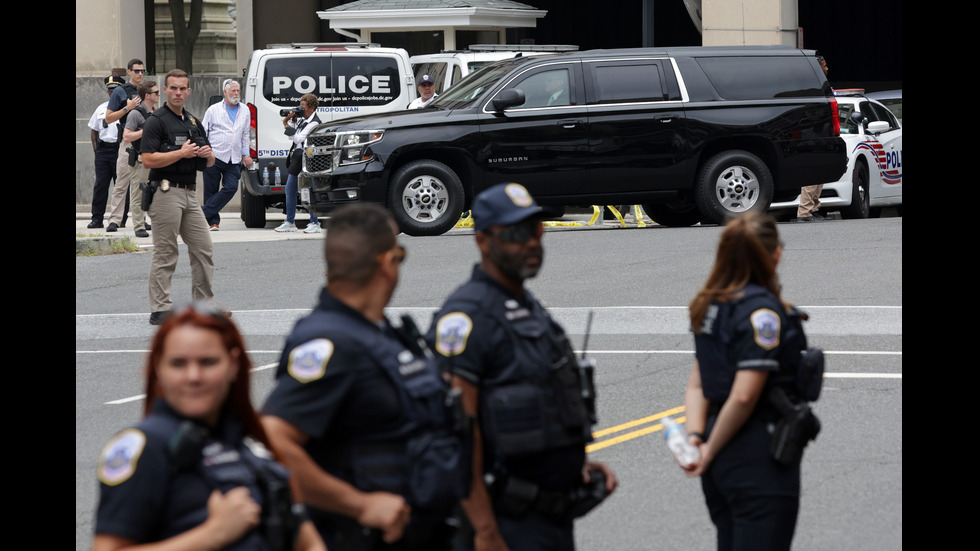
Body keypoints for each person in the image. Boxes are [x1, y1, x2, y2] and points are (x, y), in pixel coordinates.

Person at [261, 203, 468, 550]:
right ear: (388, 264)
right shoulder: (330, 341)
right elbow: (273, 440)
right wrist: (361, 505)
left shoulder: (383, 333)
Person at [427, 183, 617, 551]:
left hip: (550, 518)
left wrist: (573, 468)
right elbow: (457, 436)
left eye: (536, 229)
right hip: (505, 524)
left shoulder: (526, 305)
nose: (531, 242)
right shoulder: (466, 318)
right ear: (483, 241)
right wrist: (485, 532)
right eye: (516, 233)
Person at [92, 302, 326, 551]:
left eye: (208, 362)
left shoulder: (250, 446)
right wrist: (214, 534)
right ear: (159, 367)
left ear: (233, 364)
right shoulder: (145, 448)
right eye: (178, 363)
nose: (193, 376)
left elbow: (308, 542)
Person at [679, 212, 813, 551]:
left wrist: (697, 438)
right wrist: (708, 452)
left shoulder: (709, 306)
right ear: (775, 254)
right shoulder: (762, 313)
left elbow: (698, 383)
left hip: (718, 455)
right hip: (756, 457)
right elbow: (743, 397)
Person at [141, 69, 218, 326]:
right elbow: (148, 159)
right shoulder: (156, 120)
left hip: (189, 193)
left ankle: (203, 305)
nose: (178, 93)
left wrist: (208, 155)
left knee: (204, 248)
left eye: (182, 88)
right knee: (166, 251)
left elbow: (208, 162)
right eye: (173, 88)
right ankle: (160, 308)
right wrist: (180, 153)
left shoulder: (193, 122)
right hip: (165, 191)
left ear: (188, 91)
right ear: (165, 90)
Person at [202, 79, 253, 231]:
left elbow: (245, 134)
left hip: (235, 157)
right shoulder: (213, 109)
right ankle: (213, 222)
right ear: (225, 92)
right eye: (233, 91)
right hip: (214, 155)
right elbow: (203, 132)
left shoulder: (245, 110)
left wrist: (246, 154)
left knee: (231, 187)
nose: (236, 94)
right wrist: (206, 150)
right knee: (210, 189)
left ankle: (203, 213)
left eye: (238, 91)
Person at [105, 58, 146, 232]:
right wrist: (127, 108)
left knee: (143, 183)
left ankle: (142, 219)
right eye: (137, 71)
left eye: (143, 71)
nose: (140, 74)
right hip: (128, 142)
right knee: (122, 181)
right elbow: (108, 118)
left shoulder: (147, 91)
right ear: (129, 72)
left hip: (146, 143)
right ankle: (115, 220)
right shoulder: (120, 91)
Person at [274, 93, 322, 233]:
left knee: (308, 190)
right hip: (298, 158)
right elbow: (294, 136)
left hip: (309, 159)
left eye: (303, 106)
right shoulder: (303, 120)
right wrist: (293, 121)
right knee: (290, 189)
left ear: (312, 107)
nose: (300, 109)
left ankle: (315, 223)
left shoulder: (314, 122)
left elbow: (298, 138)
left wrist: (285, 124)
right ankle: (290, 222)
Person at [122, 80, 159, 238]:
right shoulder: (136, 113)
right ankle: (138, 226)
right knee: (138, 193)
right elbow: (127, 136)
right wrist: (145, 131)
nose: (158, 95)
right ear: (147, 95)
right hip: (139, 160)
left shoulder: (154, 111)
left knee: (154, 192)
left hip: (154, 158)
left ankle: (144, 221)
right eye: (156, 93)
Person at [87, 75, 125, 229]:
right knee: (100, 186)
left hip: (119, 150)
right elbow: (94, 132)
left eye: (115, 90)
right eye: (110, 90)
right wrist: (97, 152)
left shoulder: (125, 108)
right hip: (103, 152)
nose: (111, 92)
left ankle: (120, 219)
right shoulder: (101, 108)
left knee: (121, 186)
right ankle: (97, 218)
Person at [796, 55, 831, 223]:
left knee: (819, 172)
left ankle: (814, 208)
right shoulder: (811, 87)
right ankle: (804, 212)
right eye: (824, 66)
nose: (827, 69)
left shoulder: (820, 85)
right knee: (811, 173)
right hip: (811, 135)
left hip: (823, 134)